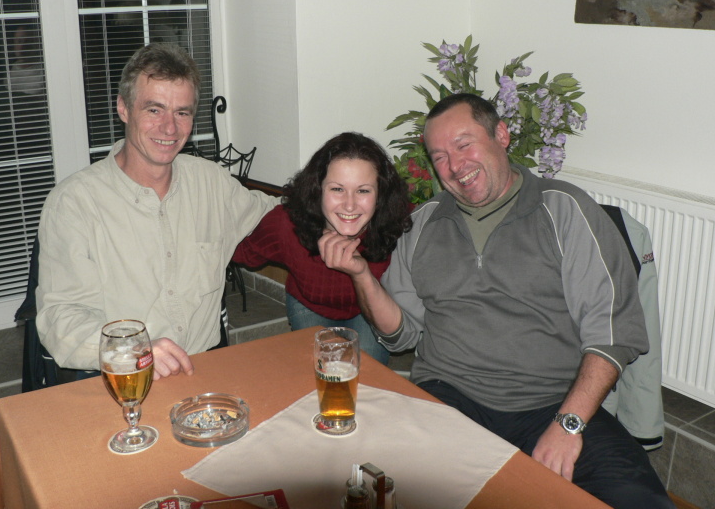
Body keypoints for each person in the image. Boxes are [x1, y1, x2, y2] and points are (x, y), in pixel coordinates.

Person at [319, 93, 674, 509]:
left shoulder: (565, 209)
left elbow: (613, 332)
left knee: (640, 500)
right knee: (376, 488)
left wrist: (568, 425)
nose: (454, 165)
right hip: (448, 399)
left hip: (552, 403)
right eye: (439, 156)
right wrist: (361, 275)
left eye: (464, 145)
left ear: (501, 135)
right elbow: (401, 335)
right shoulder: (423, 224)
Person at [36, 42, 277, 380]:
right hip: (124, 380)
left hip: (205, 373)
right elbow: (61, 319)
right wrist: (134, 350)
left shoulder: (211, 182)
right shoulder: (74, 203)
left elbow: (274, 215)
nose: (170, 128)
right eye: (154, 110)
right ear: (123, 108)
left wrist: (338, 206)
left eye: (182, 113)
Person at [232, 132, 412, 364]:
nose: (349, 205)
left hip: (371, 308)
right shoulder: (286, 224)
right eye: (337, 189)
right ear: (318, 190)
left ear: (380, 195)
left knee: (366, 373)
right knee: (321, 368)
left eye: (363, 190)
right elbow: (242, 252)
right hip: (310, 305)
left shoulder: (401, 225)